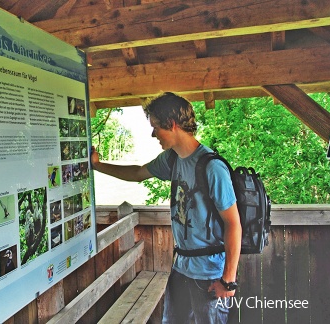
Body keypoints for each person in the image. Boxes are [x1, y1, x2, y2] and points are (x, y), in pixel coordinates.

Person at [90, 92, 242, 323]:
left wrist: (228, 280)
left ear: (171, 125)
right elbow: (137, 173)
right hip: (181, 269)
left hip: (209, 274)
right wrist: (97, 166)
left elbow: (233, 223)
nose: (153, 134)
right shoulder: (172, 159)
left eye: (155, 127)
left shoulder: (212, 167)